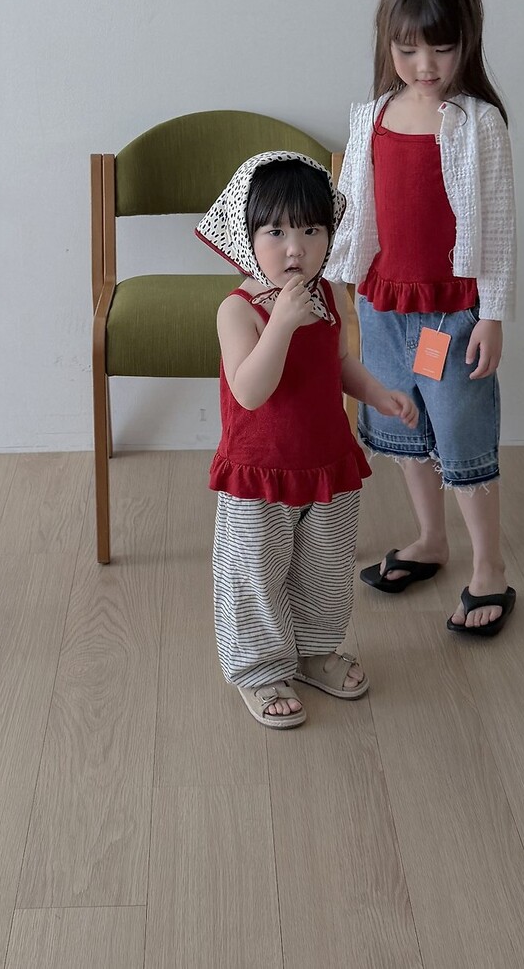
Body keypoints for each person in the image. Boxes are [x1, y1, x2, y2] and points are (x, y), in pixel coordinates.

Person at [326, 0, 517, 636]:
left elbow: (497, 226)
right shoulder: (374, 115)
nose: (425, 65)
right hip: (385, 307)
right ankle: (431, 540)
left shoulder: (477, 124)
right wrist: (339, 283)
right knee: (405, 425)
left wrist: (492, 314)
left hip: (447, 315)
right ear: (388, 42)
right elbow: (353, 208)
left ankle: (488, 567)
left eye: (441, 48)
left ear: (468, 40)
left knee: (459, 433)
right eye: (408, 50)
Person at [196, 151, 418, 729]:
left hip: (325, 463)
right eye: (276, 232)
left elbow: (338, 364)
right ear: (246, 235)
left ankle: (315, 651)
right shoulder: (238, 311)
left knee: (325, 567)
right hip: (260, 471)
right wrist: (281, 324)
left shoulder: (329, 297)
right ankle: (260, 668)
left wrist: (379, 394)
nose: (295, 248)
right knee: (256, 572)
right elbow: (250, 391)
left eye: (311, 230)